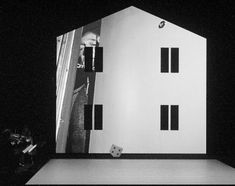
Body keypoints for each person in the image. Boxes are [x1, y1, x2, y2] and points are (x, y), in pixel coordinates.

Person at [66, 30, 100, 153]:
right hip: (70, 92)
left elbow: (95, 75)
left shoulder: (92, 57)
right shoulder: (71, 53)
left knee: (81, 133)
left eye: (96, 44)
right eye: (93, 43)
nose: (95, 45)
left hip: (82, 91)